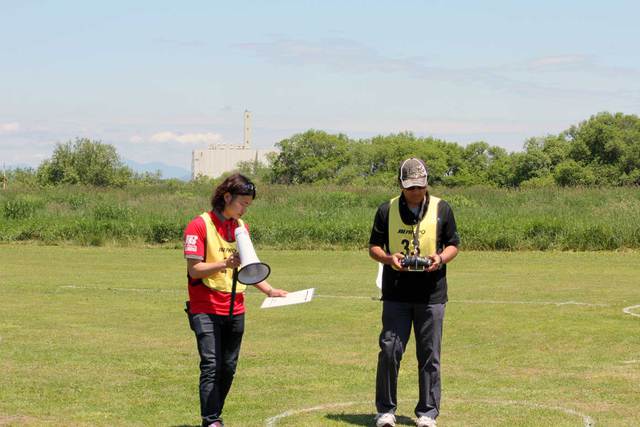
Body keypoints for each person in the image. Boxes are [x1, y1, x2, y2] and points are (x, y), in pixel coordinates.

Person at [183, 173, 287, 427]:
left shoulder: (241, 227)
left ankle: (214, 416)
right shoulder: (198, 225)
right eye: (242, 203)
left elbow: (248, 268)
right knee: (211, 365)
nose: (244, 209)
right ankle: (211, 420)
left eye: (248, 205)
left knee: (228, 366)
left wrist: (269, 290)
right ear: (227, 197)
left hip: (236, 308)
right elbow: (194, 270)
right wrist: (224, 263)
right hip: (205, 308)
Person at [369, 158, 460, 427]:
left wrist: (439, 259)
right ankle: (385, 411)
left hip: (432, 295)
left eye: (420, 186)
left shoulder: (443, 208)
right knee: (389, 350)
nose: (416, 191)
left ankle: (427, 413)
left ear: (426, 183)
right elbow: (374, 247)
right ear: (401, 184)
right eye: (410, 187)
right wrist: (389, 259)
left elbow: (453, 244)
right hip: (396, 294)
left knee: (429, 354)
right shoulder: (386, 209)